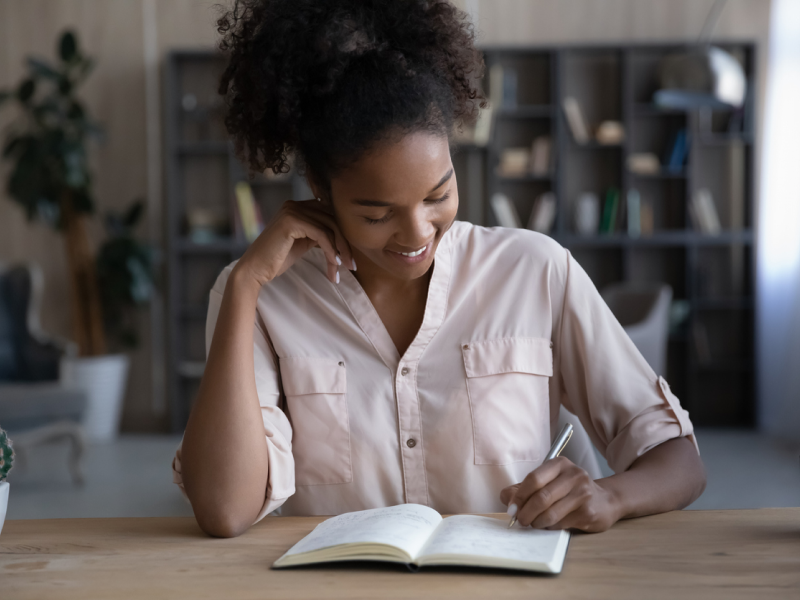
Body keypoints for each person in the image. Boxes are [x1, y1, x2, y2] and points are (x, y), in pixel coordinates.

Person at [173, 0, 706, 538]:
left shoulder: (535, 271)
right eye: (376, 213)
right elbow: (224, 510)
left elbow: (679, 461)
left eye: (439, 194)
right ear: (318, 186)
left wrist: (608, 495)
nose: (418, 233)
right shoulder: (262, 297)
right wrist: (244, 285)